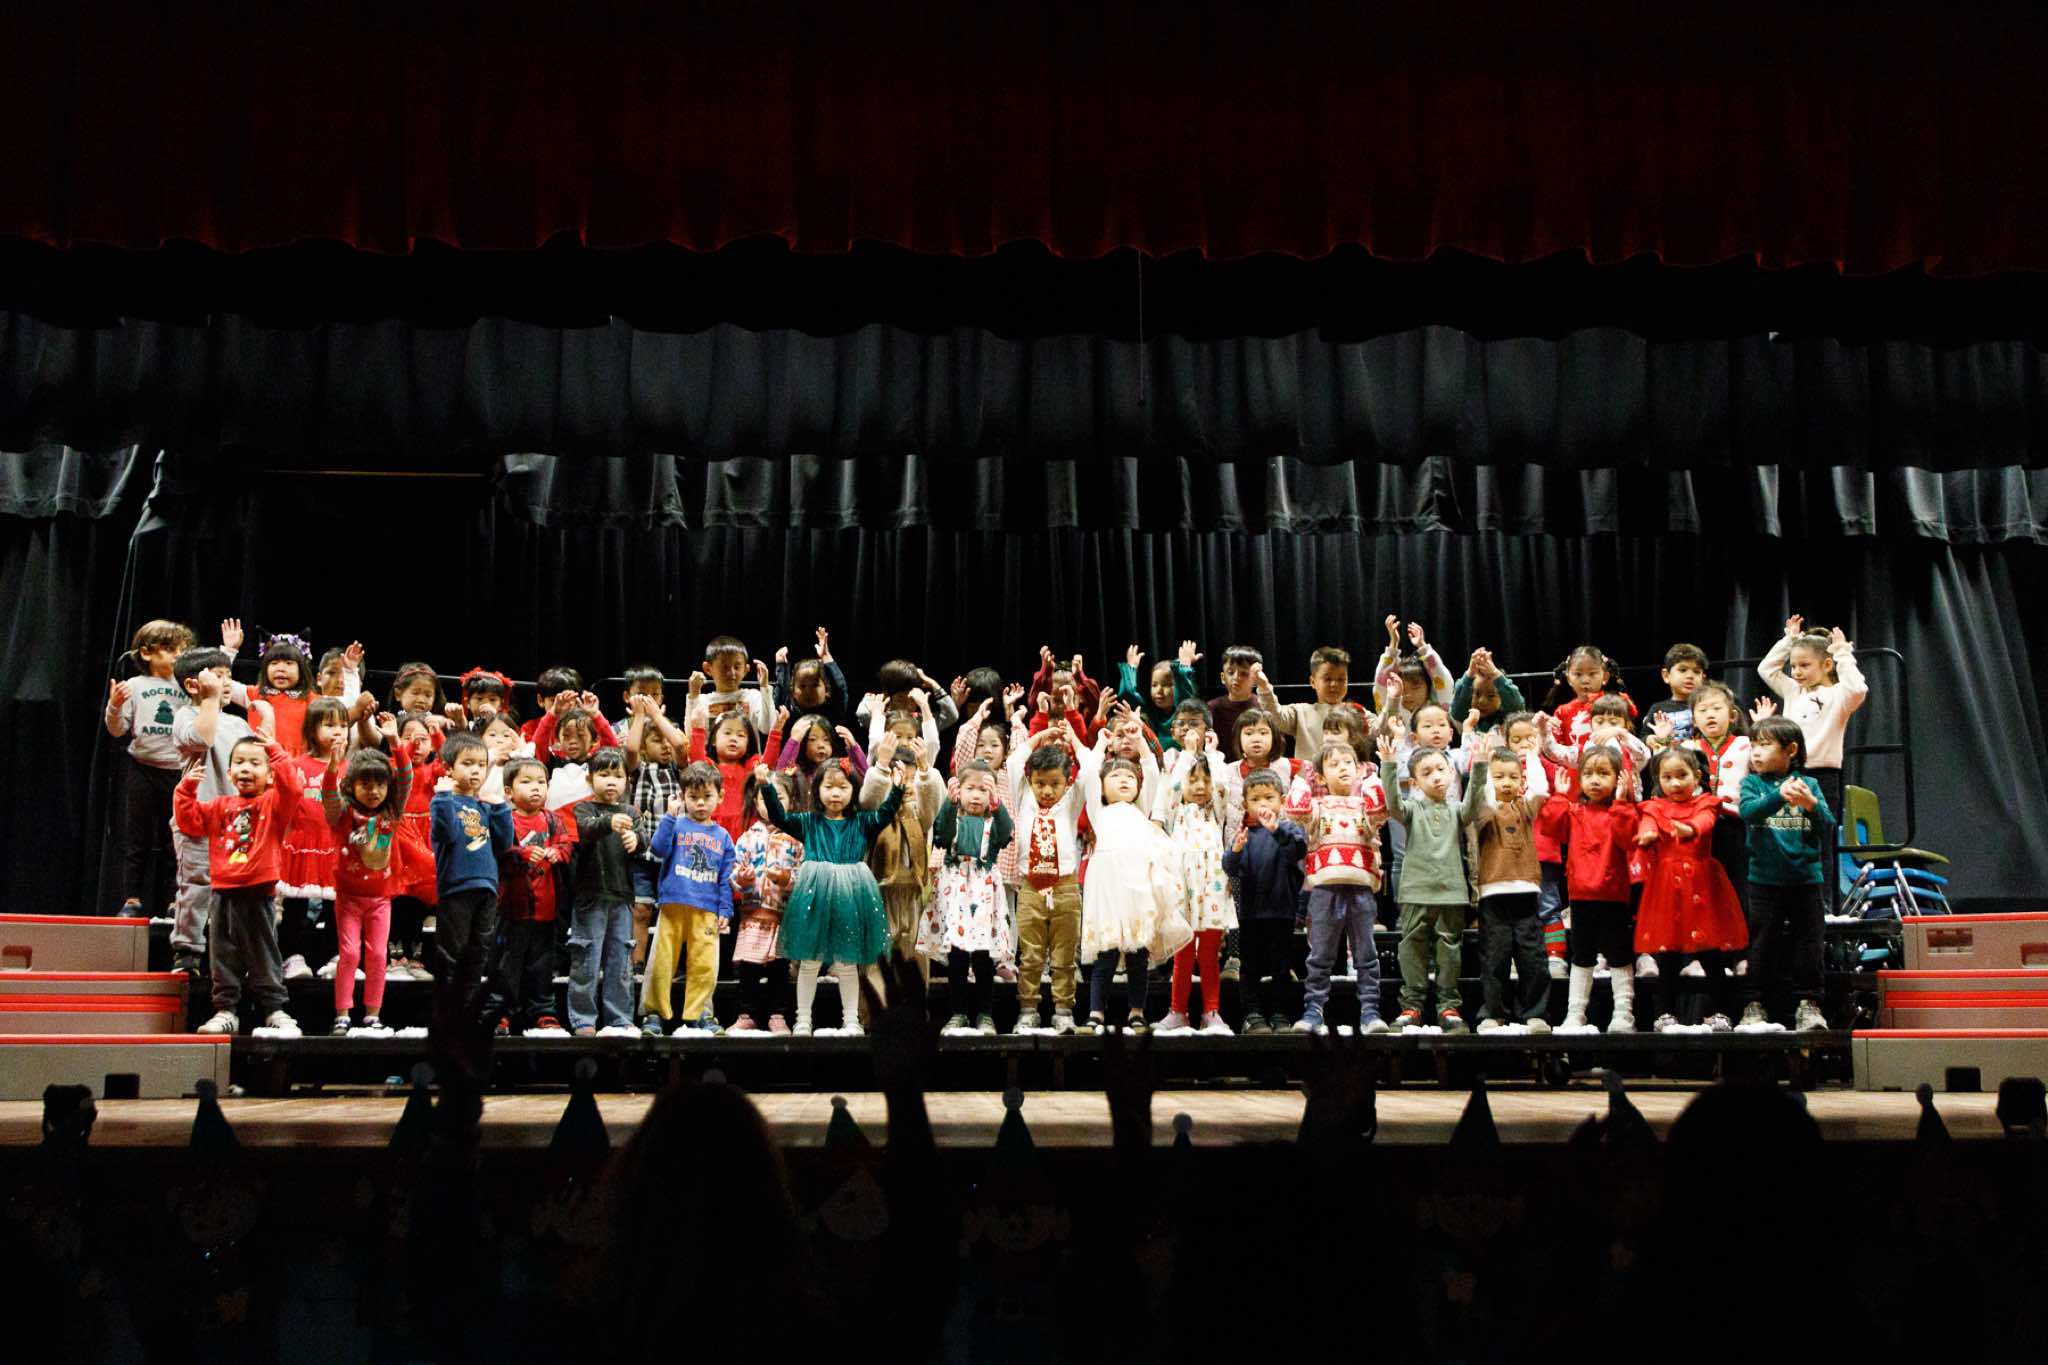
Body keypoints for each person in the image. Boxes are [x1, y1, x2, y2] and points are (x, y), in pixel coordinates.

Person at [173, 726, 305, 1035]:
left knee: (263, 953)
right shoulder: (220, 806)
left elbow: (293, 789)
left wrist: (276, 753)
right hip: (222, 892)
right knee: (223, 954)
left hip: (258, 892)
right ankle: (225, 1010)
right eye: (240, 762)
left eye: (255, 763)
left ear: (269, 775)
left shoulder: (273, 804)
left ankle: (274, 1009)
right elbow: (189, 821)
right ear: (230, 772)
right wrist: (186, 790)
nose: (246, 768)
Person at [765, 756, 906, 1036]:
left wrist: (898, 788)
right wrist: (766, 788)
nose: (835, 793)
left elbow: (885, 814)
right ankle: (803, 1019)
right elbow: (779, 817)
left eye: (843, 787)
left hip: (850, 895)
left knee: (847, 961)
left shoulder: (861, 822)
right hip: (814, 895)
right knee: (810, 961)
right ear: (816, 789)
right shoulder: (809, 822)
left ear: (853, 790)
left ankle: (851, 1019)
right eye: (829, 787)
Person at [167, 637, 267, 972]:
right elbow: (203, 737)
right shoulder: (185, 715)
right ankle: (187, 951)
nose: (226, 683)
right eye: (218, 676)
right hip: (197, 818)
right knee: (197, 885)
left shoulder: (237, 724)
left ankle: (234, 954)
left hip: (235, 822)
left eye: (229, 676)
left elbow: (257, 760)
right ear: (193, 685)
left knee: (236, 887)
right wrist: (209, 700)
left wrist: (267, 721)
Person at [1076, 734, 1188, 1034]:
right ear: (1102, 788)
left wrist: (1139, 741)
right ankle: (1096, 1013)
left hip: (1137, 887)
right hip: (1107, 889)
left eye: (1129, 776)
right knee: (1106, 955)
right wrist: (1101, 744)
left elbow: (1151, 770)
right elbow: (1089, 773)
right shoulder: (1099, 812)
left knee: (1138, 955)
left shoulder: (1141, 809)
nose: (1124, 780)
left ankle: (1137, 1012)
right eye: (1115, 776)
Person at [1380, 731, 1490, 1031]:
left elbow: (1472, 804)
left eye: (1441, 769)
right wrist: (1388, 764)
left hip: (1451, 893)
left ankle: (1448, 1006)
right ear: (1415, 783)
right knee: (1411, 948)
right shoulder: (1412, 809)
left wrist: (1480, 765)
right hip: (1415, 891)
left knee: (1449, 950)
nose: (1436, 777)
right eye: (1426, 773)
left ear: (1451, 773)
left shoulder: (1456, 810)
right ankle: (1412, 1006)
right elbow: (1393, 805)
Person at [1633, 747, 1749, 1031]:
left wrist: (1690, 829)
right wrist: (1647, 834)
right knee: (1667, 952)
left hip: (1701, 885)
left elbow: (1705, 822)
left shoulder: (1706, 803)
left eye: (1681, 776)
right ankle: (1664, 1013)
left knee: (1710, 952)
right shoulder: (1653, 807)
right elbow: (1647, 824)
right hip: (1667, 888)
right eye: (1667, 777)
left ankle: (1721, 1011)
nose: (1675, 783)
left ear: (1696, 776)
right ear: (1659, 780)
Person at [1737, 716, 1835, 1031]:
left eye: (1765, 745)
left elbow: (1827, 826)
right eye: (1753, 745)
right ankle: (1754, 1004)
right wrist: (1779, 795)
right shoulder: (1752, 784)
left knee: (1810, 944)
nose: (1756, 752)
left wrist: (1811, 805)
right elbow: (1749, 812)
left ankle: (1810, 1004)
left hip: (1805, 880)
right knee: (1761, 943)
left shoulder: (1810, 785)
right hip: (1764, 881)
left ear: (1790, 750)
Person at [1757, 614, 1867, 889]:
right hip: (1789, 776)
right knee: (1788, 841)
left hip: (1823, 777)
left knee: (1820, 844)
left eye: (1804, 665)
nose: (1796, 672)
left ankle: (1823, 904)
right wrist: (1789, 640)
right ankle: (1792, 902)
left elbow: (1858, 688)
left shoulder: (1840, 694)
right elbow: (1766, 669)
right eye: (1793, 665)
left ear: (1827, 665)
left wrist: (1842, 652)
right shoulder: (1794, 692)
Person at [320, 715, 413, 1033]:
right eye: (366, 784)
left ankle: (373, 1013)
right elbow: (328, 794)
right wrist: (333, 765)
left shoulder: (392, 811)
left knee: (377, 954)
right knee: (349, 953)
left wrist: (395, 742)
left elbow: (406, 778)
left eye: (380, 784)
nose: (374, 791)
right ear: (352, 785)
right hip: (348, 898)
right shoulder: (343, 813)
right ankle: (342, 1013)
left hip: (380, 899)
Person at [1537, 747, 1639, 1032]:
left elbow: (1628, 838)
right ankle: (1575, 1013)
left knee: (1619, 956)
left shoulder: (1623, 811)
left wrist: (1621, 802)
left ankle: (1624, 1014)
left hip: (1614, 897)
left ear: (1618, 779)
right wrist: (1559, 796)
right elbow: (1550, 826)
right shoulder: (1574, 812)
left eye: (1603, 773)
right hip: (1581, 898)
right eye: (1589, 773)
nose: (1595, 780)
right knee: (1581, 957)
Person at [427, 731, 516, 1047]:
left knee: (478, 954)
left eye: (481, 764)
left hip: (486, 888)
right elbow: (447, 834)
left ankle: (467, 1012)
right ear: (449, 768)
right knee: (452, 954)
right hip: (456, 889)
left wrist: (500, 805)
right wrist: (443, 798)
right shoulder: (443, 801)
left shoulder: (485, 806)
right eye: (468, 764)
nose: (476, 770)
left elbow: (504, 844)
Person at [104, 618, 197, 917]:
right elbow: (118, 730)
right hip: (142, 769)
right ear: (147, 653)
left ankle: (174, 901)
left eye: (182, 651)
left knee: (175, 840)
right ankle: (131, 899)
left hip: (178, 773)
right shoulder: (135, 686)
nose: (177, 656)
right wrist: (115, 706)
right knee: (137, 838)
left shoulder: (187, 687)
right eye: (170, 650)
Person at [1295, 738, 1389, 1035]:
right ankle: (1313, 1010)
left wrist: (1372, 780)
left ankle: (1370, 1010)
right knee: (1320, 955)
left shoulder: (1365, 805)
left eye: (1348, 762)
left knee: (1366, 954)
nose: (1343, 768)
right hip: (1325, 889)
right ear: (1321, 777)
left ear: (1359, 769)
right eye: (1334, 764)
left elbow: (1381, 811)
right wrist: (1302, 780)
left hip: (1360, 889)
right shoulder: (1317, 806)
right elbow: (1295, 809)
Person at [1005, 724, 1094, 1033]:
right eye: (1040, 783)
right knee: (1030, 956)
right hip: (1030, 888)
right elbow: (1013, 762)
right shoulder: (1024, 798)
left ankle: (1064, 1011)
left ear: (1067, 782)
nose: (1046, 791)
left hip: (1066, 888)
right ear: (1030, 781)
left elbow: (1090, 769)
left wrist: (1075, 741)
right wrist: (1039, 738)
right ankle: (1028, 1010)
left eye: (1054, 784)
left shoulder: (1071, 802)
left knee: (1064, 956)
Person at [919, 759, 1016, 1033]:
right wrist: (948, 805)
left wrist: (998, 805)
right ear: (958, 791)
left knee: (983, 956)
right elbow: (942, 835)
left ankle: (985, 1014)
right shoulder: (953, 816)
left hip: (983, 890)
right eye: (970, 788)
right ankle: (958, 1012)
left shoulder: (993, 822)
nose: (976, 795)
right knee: (958, 956)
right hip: (956, 890)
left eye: (983, 790)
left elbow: (1006, 834)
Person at [644, 761, 739, 1035]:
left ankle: (700, 1014)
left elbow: (726, 877)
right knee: (662, 963)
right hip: (672, 905)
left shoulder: (723, 837)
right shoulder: (675, 824)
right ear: (682, 796)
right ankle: (654, 1014)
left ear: (720, 796)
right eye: (693, 796)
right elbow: (657, 849)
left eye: (707, 796)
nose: (700, 803)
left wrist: (725, 909)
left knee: (704, 966)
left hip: (707, 909)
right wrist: (669, 816)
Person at [1154, 742, 1235, 1034]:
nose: (1201, 786)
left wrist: (1212, 754)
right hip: (1183, 888)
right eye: (1194, 779)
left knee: (1210, 953)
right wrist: (1187, 755)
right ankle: (1178, 1012)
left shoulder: (1216, 811)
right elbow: (1172, 785)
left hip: (1212, 887)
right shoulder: (1176, 810)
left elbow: (1223, 785)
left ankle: (1211, 1012)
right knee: (1183, 952)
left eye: (1205, 780)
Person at [1471, 746, 1551, 1032]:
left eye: (1513, 777)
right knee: (1495, 957)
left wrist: (1532, 756)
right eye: (1499, 777)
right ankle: (1494, 1012)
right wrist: (1483, 765)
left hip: (1526, 891)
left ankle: (1535, 1013)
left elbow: (1540, 790)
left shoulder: (1525, 808)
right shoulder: (1485, 809)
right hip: (1493, 893)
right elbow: (1482, 795)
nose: (1506, 783)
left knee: (1533, 957)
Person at [1221, 771, 1306, 1033]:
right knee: (1250, 968)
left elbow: (1297, 850)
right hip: (1250, 914)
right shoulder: (1245, 835)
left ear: (1282, 800)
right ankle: (1253, 1015)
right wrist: (1235, 850)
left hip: (1282, 912)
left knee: (1281, 967)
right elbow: (1229, 867)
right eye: (1255, 799)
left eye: (1269, 797)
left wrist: (1276, 830)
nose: (1263, 804)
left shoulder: (1289, 829)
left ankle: (1280, 1014)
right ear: (1245, 804)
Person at [495, 756, 575, 1035]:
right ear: (508, 791)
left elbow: (566, 845)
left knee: (542, 965)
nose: (536, 787)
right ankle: (501, 1013)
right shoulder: (505, 819)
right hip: (513, 908)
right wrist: (523, 853)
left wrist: (557, 853)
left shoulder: (553, 820)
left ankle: (544, 1011)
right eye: (527, 781)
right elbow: (499, 850)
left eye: (541, 782)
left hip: (547, 908)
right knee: (508, 964)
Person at [568, 749, 644, 1036]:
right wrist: (608, 823)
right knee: (586, 959)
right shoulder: (584, 809)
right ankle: (583, 1019)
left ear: (626, 781)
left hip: (622, 897)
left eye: (618, 776)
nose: (611, 781)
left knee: (620, 961)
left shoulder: (631, 812)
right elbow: (586, 830)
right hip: (590, 896)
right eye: (604, 775)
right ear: (590, 779)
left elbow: (644, 843)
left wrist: (636, 839)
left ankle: (619, 1018)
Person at [730, 770, 802, 1034]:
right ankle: (746, 1014)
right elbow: (733, 874)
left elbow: (804, 876)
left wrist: (787, 879)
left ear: (791, 802)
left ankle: (778, 1015)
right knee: (748, 968)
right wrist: (743, 879)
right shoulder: (747, 838)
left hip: (784, 916)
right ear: (756, 802)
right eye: (764, 798)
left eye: (779, 797)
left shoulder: (797, 838)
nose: (771, 802)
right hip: (753, 914)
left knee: (779, 968)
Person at [622, 694, 684, 968]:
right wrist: (639, 716)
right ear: (646, 746)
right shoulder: (639, 770)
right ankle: (636, 963)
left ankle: (668, 965)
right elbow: (630, 749)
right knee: (641, 909)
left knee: (672, 911)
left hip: (673, 854)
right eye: (657, 740)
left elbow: (680, 744)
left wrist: (657, 716)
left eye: (666, 738)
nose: (666, 745)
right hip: (643, 854)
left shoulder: (680, 771)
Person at [1250, 644, 1366, 767]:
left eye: (1341, 679)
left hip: (1347, 776)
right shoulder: (1300, 712)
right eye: (1327, 679)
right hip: (1308, 777)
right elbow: (1275, 716)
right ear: (1313, 681)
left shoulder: (1357, 712)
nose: (1334, 684)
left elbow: (1378, 728)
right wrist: (1264, 687)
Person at [687, 691, 769, 838]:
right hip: (711, 829)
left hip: (745, 828)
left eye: (740, 735)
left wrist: (775, 733)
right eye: (727, 733)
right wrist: (698, 729)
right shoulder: (708, 767)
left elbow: (767, 765)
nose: (733, 739)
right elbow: (696, 760)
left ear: (748, 743)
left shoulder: (750, 767)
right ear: (713, 740)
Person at [1540, 644, 1638, 743]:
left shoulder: (1616, 705)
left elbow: (1630, 741)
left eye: (1592, 674)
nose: (1585, 680)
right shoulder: (1562, 712)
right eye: (1578, 674)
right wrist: (1544, 731)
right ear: (1569, 678)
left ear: (1605, 677)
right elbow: (1555, 747)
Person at [1114, 640, 1201, 749]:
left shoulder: (1184, 710)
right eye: (1154, 685)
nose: (1159, 690)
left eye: (1166, 685)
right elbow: (1128, 694)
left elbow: (1184, 692)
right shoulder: (1151, 713)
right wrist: (1131, 667)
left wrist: (1183, 667)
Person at [1373, 616, 1455, 727]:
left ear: (1428, 687)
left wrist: (1423, 647)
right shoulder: (1392, 714)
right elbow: (1381, 684)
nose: (1408, 694)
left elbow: (1442, 681)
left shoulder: (1438, 710)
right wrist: (1393, 644)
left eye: (1415, 688)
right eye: (1402, 689)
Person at [773, 627, 853, 731]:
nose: (808, 691)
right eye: (802, 686)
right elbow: (782, 696)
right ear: (793, 691)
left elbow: (840, 689)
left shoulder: (833, 713)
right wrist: (782, 667)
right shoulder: (787, 714)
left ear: (827, 690)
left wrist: (826, 657)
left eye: (815, 685)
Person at [1639, 643, 1710, 746]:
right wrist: (1651, 739)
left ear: (1703, 678)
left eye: (1696, 671)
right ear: (1666, 676)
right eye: (1683, 670)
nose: (1690, 676)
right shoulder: (1658, 709)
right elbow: (1643, 738)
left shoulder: (1707, 707)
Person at [1448, 646, 1526, 735]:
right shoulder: (1467, 718)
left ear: (1502, 697)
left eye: (1491, 696)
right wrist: (1470, 674)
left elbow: (1516, 706)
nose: (1482, 701)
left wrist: (1495, 674)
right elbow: (1457, 711)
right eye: (1477, 694)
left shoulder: (1507, 718)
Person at [1207, 644, 1265, 761]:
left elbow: (1277, 743)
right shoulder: (1212, 708)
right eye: (1230, 672)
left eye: (1244, 673)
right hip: (1220, 767)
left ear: (1255, 678)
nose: (1236, 677)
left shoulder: (1264, 706)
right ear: (1223, 677)